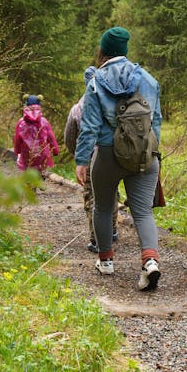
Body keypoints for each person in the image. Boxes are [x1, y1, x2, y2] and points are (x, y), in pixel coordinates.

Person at [74, 26, 162, 291]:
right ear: (124, 51)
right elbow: (155, 121)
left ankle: (106, 260)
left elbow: (88, 126)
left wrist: (81, 160)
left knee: (103, 206)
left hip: (107, 155)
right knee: (143, 211)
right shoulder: (147, 78)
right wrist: (152, 153)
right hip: (143, 156)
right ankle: (150, 262)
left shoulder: (96, 81)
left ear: (103, 51)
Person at [64, 67, 118, 252]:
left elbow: (69, 137)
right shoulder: (112, 103)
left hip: (88, 159)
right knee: (111, 193)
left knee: (92, 197)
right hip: (110, 156)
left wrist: (78, 157)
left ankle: (96, 239)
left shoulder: (77, 109)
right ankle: (112, 231)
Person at [13, 94, 59, 176]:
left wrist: (17, 150)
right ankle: (40, 178)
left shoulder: (21, 122)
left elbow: (17, 138)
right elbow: (51, 138)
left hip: (26, 153)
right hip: (41, 152)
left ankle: (29, 182)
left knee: (27, 168)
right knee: (41, 165)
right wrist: (55, 150)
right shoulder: (44, 121)